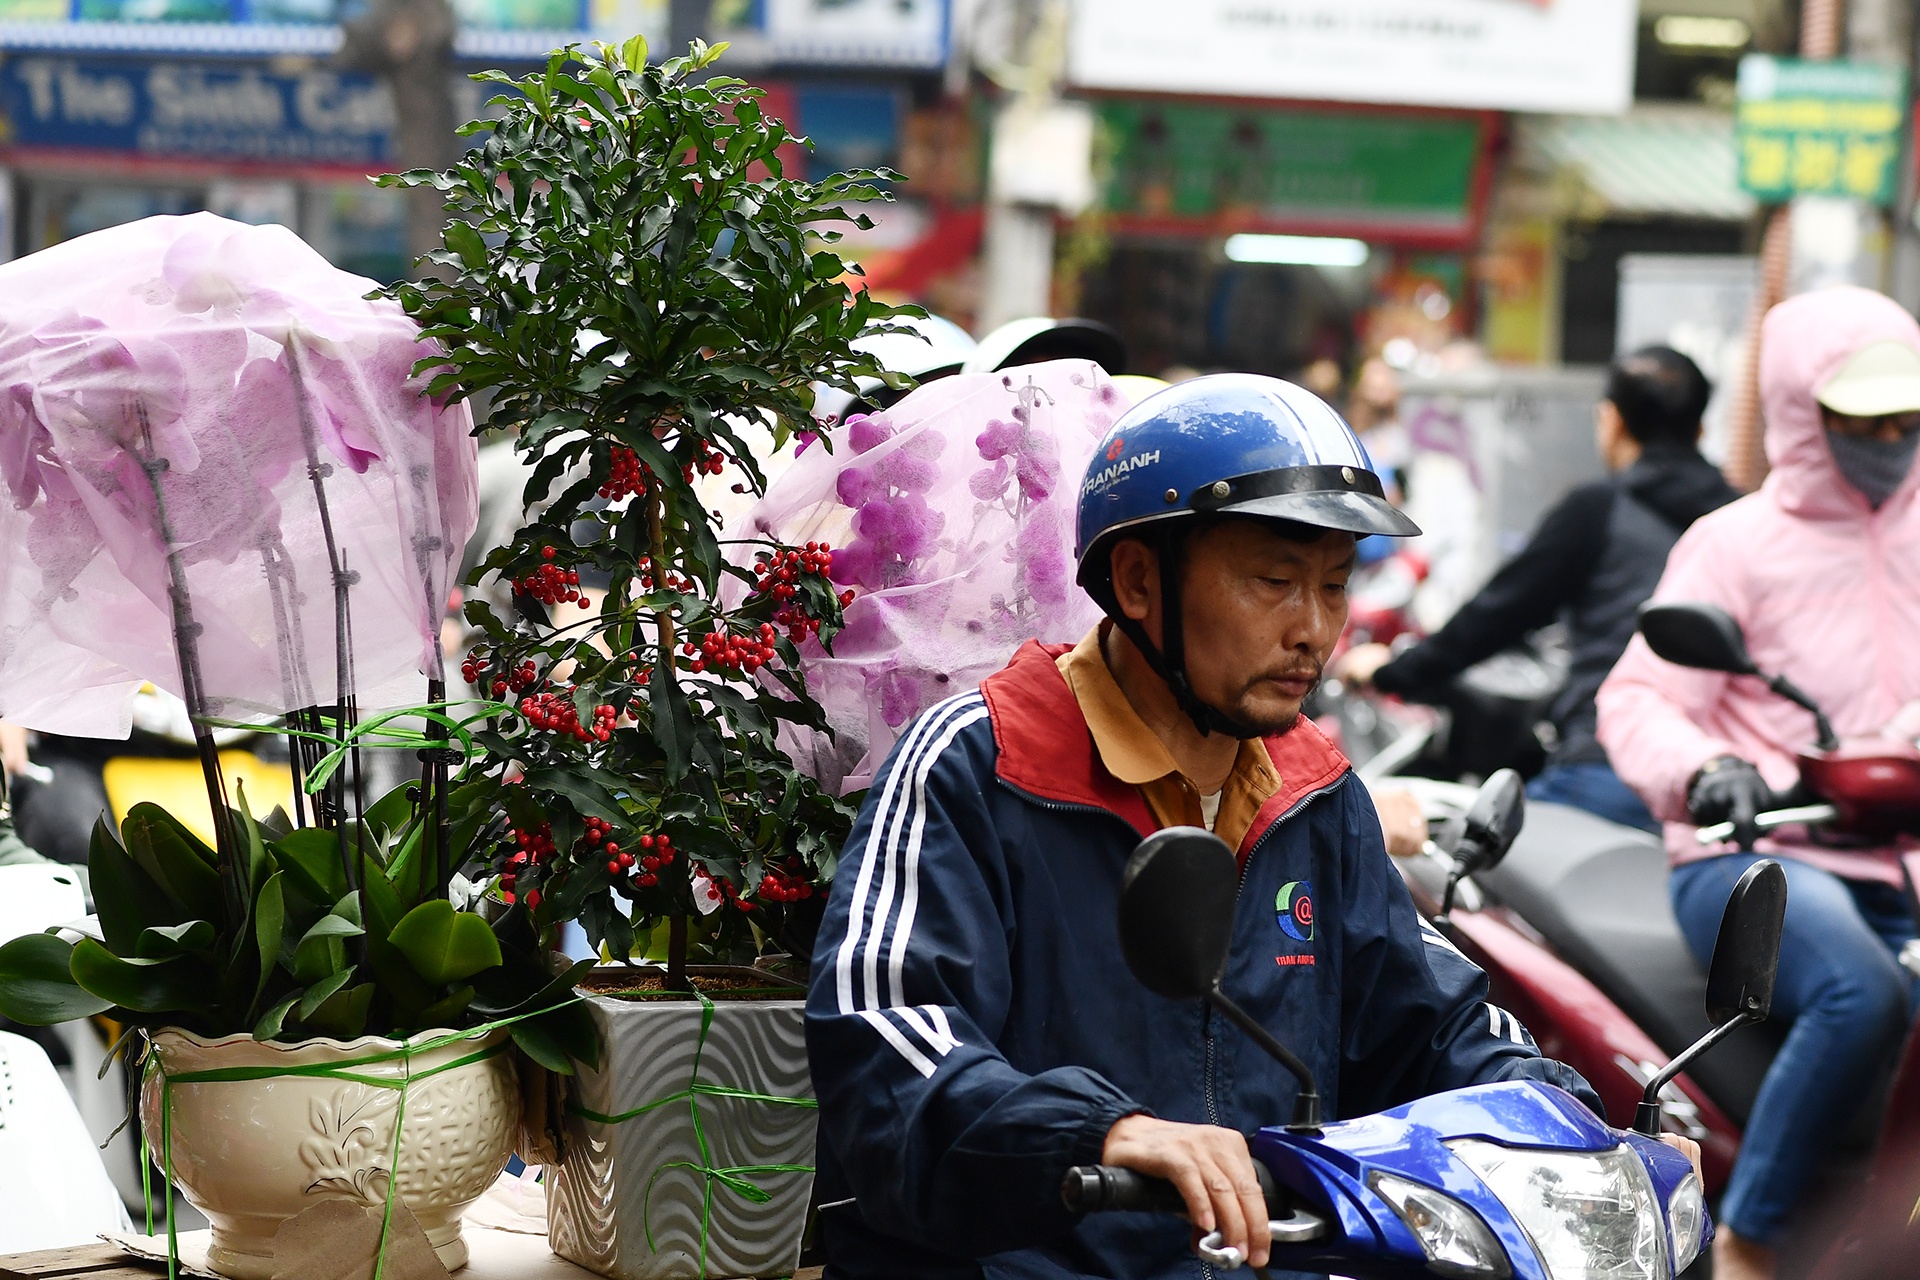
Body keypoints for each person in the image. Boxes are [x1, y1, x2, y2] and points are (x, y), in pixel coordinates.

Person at [804, 374, 1616, 1280]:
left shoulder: (1314, 789)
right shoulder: (974, 766)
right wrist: (1106, 1133)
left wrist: (1574, 1126)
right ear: (1140, 580)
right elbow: (888, 1044)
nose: (1315, 631)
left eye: (1336, 587)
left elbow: (1432, 1027)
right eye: (1275, 582)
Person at [1597, 287, 1920, 1280]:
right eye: (1859, 419)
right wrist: (1708, 767)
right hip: (1759, 854)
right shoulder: (1733, 542)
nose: (1887, 438)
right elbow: (1638, 698)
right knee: (1862, 995)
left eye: (1903, 417)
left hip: (1900, 850)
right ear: (1796, 411)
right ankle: (1751, 1242)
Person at [1341, 347, 1737, 832]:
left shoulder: (1602, 508)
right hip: (1727, 785)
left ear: (1610, 421)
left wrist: (1393, 672)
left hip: (1610, 771)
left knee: (1467, 869)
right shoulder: (1743, 520)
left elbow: (1498, 613)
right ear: (1701, 430)